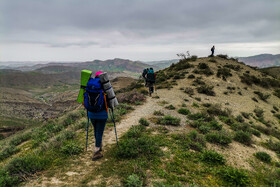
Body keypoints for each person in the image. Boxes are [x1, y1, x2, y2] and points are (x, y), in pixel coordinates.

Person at [87, 71, 108, 161]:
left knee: (96, 130)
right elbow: (110, 101)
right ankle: (96, 151)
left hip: (91, 114)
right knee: (99, 131)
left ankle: (99, 145)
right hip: (102, 114)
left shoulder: (89, 87)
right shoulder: (105, 87)